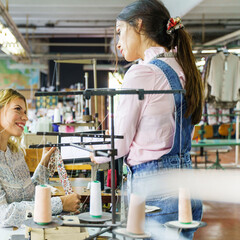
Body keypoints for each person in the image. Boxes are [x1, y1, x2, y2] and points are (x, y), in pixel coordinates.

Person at [92, 0, 204, 239]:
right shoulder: (183, 68)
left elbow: (118, 144)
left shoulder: (143, 73)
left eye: (120, 32)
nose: (118, 43)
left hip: (154, 187)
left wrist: (93, 151)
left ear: (139, 25)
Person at [0, 88, 81, 227]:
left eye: (25, 112)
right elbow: (2, 216)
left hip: (18, 232)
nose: (25, 117)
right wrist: (59, 204)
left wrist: (43, 167)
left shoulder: (14, 152)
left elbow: (28, 196)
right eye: (17, 109)